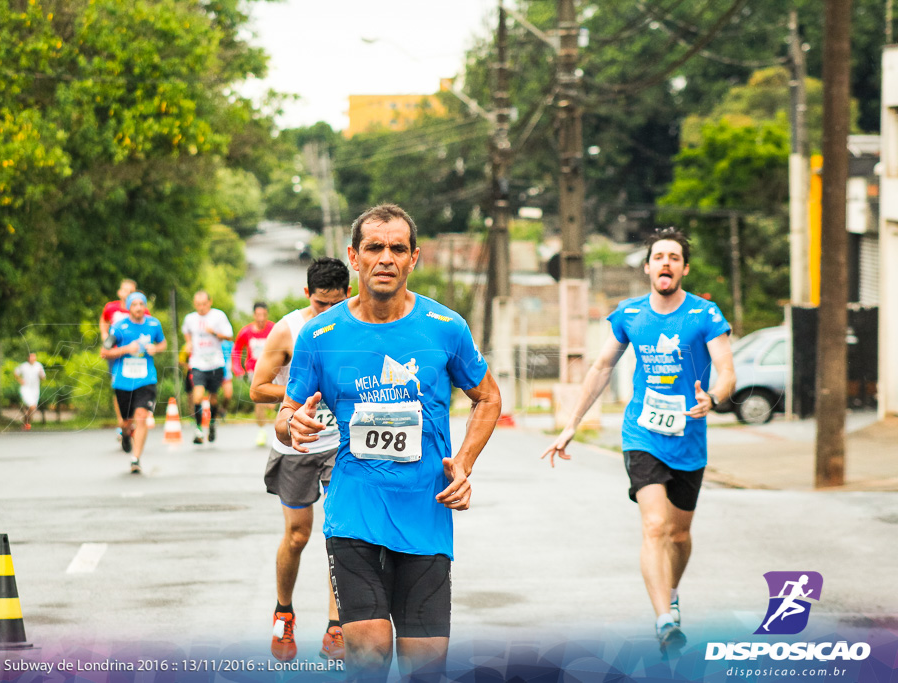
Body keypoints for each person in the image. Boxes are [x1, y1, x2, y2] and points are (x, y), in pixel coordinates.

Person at [277, 204, 501, 681]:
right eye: (374, 247)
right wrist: (292, 424)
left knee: (425, 667)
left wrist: (463, 462)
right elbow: (287, 411)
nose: (385, 258)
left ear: (413, 258)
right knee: (371, 653)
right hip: (354, 509)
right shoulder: (320, 333)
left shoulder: (445, 328)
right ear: (354, 258)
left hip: (426, 512)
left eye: (397, 248)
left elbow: (488, 398)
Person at [541, 227, 736, 653]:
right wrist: (573, 422)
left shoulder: (705, 315)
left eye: (674, 257)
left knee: (679, 537)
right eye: (658, 257)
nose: (665, 263)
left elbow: (727, 371)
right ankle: (665, 620)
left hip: (688, 437)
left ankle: (672, 594)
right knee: (654, 526)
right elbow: (600, 368)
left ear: (684, 268)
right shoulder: (629, 314)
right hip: (642, 433)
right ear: (647, 267)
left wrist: (714, 400)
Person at [250, 257, 351, 663]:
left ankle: (336, 626)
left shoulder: (357, 326)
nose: (327, 313)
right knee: (298, 535)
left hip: (340, 445)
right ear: (306, 295)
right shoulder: (288, 330)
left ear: (349, 295)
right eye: (320, 304)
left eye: (336, 304)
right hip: (297, 445)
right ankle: (284, 611)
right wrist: (299, 393)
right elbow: (258, 388)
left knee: (341, 535)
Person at [100, 292, 167, 473]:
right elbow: (104, 352)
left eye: (141, 304)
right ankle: (125, 432)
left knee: (142, 416)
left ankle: (135, 459)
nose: (138, 307)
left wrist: (156, 348)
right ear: (128, 307)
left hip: (146, 378)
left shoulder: (154, 324)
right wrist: (125, 349)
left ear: (145, 306)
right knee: (127, 420)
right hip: (123, 380)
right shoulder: (118, 327)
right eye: (134, 304)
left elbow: (163, 343)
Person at [181, 291, 234, 444]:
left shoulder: (218, 316)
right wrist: (189, 343)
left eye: (204, 304)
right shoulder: (190, 319)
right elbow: (186, 332)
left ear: (210, 302)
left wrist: (215, 333)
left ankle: (212, 424)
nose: (201, 308)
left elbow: (229, 336)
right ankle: (198, 428)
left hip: (215, 363)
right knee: (197, 395)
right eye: (198, 305)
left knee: (214, 398)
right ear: (194, 304)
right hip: (198, 363)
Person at [100, 279, 149, 442]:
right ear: (119, 292)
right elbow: (104, 321)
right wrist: (105, 336)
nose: (127, 293)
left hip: (136, 355)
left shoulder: (141, 309)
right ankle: (122, 422)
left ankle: (131, 423)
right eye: (125, 290)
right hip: (117, 353)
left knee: (137, 388)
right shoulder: (111, 308)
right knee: (119, 386)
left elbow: (149, 328)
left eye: (131, 290)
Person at [233, 301, 275, 446]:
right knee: (259, 399)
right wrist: (238, 368)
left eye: (264, 315)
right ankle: (261, 431)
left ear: (267, 314)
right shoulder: (246, 332)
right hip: (254, 370)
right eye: (258, 315)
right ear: (254, 315)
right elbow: (236, 350)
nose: (261, 318)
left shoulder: (274, 329)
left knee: (272, 402)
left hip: (273, 369)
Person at [14, 352, 46, 430]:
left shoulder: (38, 366)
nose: (32, 359)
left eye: (34, 357)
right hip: (26, 388)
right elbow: (16, 372)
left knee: (33, 408)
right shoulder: (24, 366)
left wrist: (41, 375)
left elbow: (43, 378)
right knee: (32, 406)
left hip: (35, 389)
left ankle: (26, 422)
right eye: (31, 357)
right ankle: (26, 421)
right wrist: (20, 380)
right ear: (28, 358)